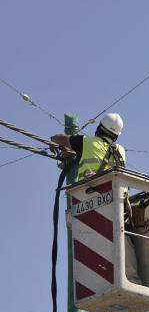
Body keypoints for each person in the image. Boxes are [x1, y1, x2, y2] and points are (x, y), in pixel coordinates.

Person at [51, 113, 141, 285]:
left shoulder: (87, 142)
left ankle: (94, 274)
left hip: (93, 201)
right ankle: (132, 278)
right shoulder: (120, 151)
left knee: (72, 219)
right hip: (118, 202)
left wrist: (53, 139)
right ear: (115, 136)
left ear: (99, 128)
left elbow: (62, 139)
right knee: (122, 237)